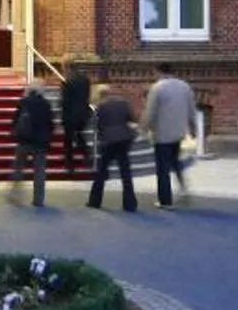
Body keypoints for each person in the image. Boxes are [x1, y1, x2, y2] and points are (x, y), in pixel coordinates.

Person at [143, 60, 199, 208]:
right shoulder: (184, 87)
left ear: (158, 71)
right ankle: (183, 188)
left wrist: (144, 129)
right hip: (179, 132)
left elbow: (150, 112)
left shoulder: (157, 88)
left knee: (162, 168)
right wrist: (193, 128)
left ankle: (165, 200)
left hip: (162, 134)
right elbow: (192, 110)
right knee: (175, 160)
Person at [85, 82, 139, 212]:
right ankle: (130, 203)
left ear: (99, 95)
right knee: (125, 172)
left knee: (101, 172)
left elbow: (98, 125)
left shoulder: (100, 107)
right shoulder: (123, 103)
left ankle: (95, 201)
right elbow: (132, 118)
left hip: (109, 140)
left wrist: (101, 138)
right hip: (124, 139)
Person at [8, 83, 54, 206]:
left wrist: (14, 133)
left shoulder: (23, 102)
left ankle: (15, 196)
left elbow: (15, 120)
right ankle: (38, 199)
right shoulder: (46, 104)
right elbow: (50, 124)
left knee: (18, 168)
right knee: (39, 171)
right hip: (40, 142)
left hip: (24, 140)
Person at [59, 66, 93, 175]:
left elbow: (65, 101)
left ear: (67, 69)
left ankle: (70, 165)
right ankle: (87, 154)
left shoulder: (67, 82)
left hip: (70, 115)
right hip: (83, 113)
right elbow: (87, 96)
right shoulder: (85, 80)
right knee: (79, 134)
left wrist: (62, 116)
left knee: (68, 140)